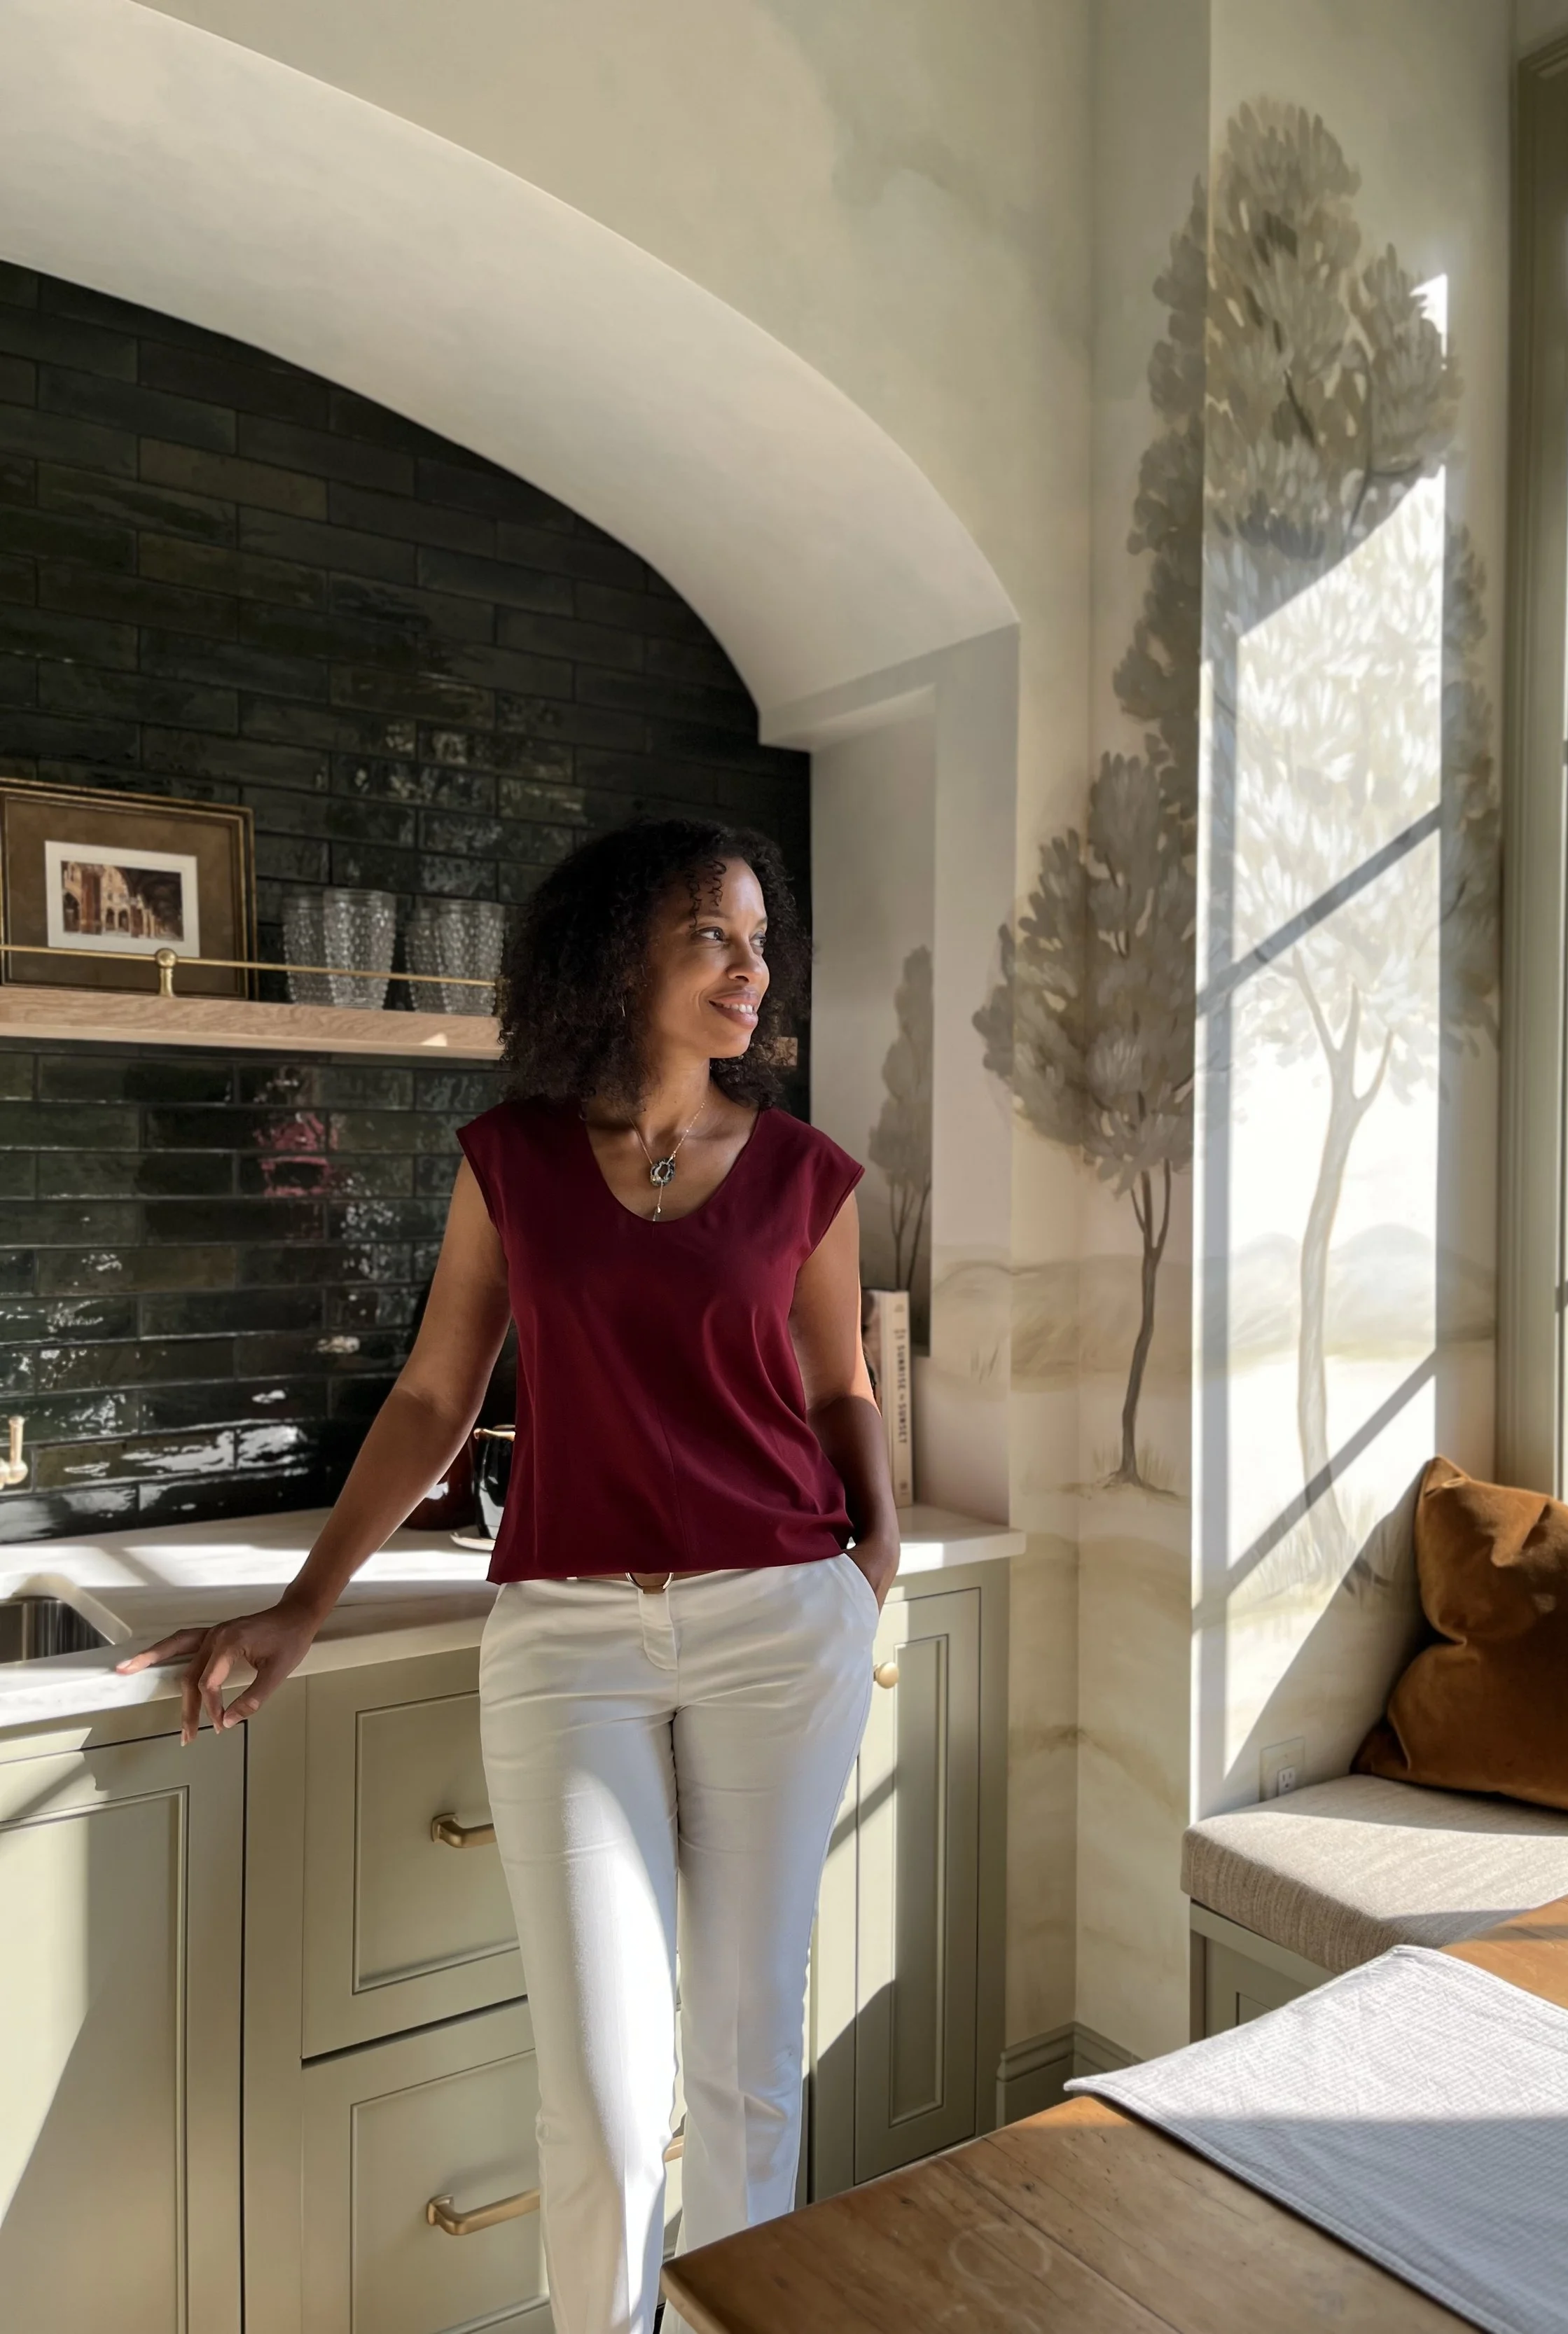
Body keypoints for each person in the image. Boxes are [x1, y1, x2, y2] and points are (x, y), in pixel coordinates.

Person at [120, 820, 900, 2334]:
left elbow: (838, 1385)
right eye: (712, 936)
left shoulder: (806, 1172)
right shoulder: (514, 1160)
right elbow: (432, 1397)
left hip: (780, 1624)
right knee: (600, 2096)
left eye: (759, 942)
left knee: (744, 2068)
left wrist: (871, 1558)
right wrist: (304, 1603)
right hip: (566, 1640)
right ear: (620, 956)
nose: (751, 970)